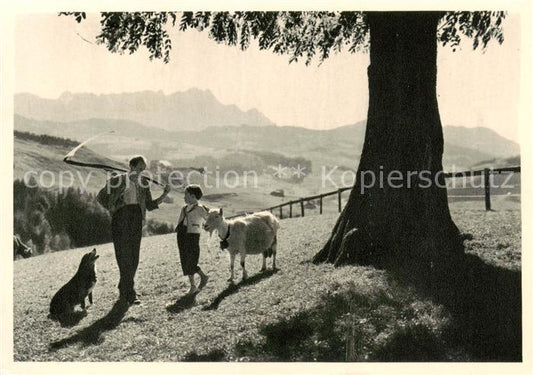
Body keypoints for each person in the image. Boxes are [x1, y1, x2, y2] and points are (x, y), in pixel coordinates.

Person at [98, 155, 170, 305]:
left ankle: (124, 286)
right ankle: (129, 293)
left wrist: (164, 194)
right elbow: (101, 197)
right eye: (139, 169)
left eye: (143, 170)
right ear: (131, 166)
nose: (141, 172)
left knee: (134, 257)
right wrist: (114, 207)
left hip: (136, 219)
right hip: (120, 219)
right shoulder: (117, 180)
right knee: (122, 255)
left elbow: (149, 205)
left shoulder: (144, 183)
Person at [175, 184, 209, 295]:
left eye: (186, 195)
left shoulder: (200, 208)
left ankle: (198, 281)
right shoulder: (183, 209)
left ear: (193, 196)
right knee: (185, 260)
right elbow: (180, 222)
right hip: (182, 236)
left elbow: (208, 219)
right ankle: (195, 283)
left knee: (191, 260)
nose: (184, 197)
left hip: (193, 236)